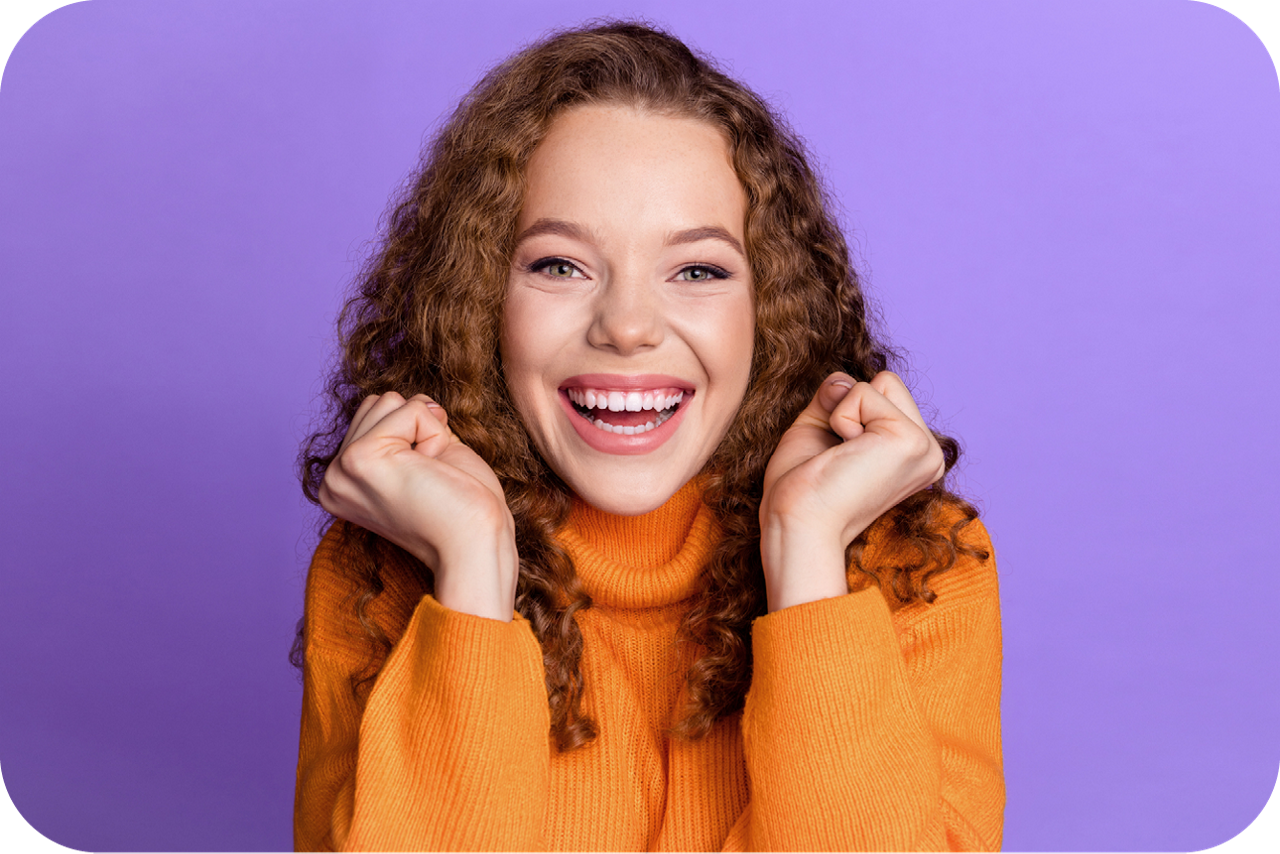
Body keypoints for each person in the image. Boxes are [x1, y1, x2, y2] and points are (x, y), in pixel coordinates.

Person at [292, 20, 1003, 853]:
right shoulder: (383, 569)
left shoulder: (918, 565)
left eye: (697, 270)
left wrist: (806, 550)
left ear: (769, 312)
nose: (627, 327)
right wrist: (473, 566)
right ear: (481, 298)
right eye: (559, 265)